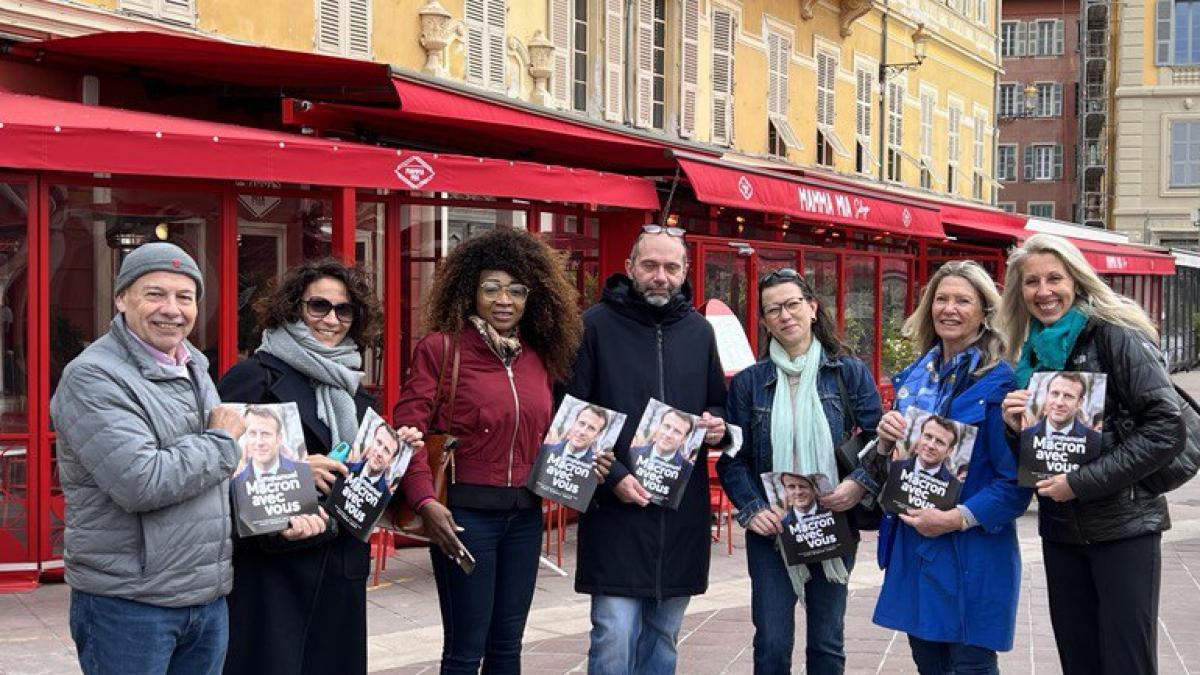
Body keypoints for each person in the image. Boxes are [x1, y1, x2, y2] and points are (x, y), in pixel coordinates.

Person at [392, 228, 587, 674]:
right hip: (465, 518)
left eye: (517, 291)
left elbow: (550, 432)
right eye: (492, 288)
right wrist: (424, 502)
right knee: (465, 650)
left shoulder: (540, 356)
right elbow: (408, 430)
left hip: (524, 516)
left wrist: (582, 460)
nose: (505, 300)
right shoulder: (442, 349)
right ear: (470, 291)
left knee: (508, 647)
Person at [218, 258, 426, 675]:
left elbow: (363, 489)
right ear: (294, 308)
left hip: (339, 566)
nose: (332, 319)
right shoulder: (252, 377)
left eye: (343, 310)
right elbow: (219, 475)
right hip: (273, 574)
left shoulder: (354, 391)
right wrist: (296, 470)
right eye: (319, 307)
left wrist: (393, 451)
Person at [50, 243, 247, 675]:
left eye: (185, 297)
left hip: (206, 598)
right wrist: (222, 441)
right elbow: (142, 481)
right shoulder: (93, 376)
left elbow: (219, 471)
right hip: (129, 603)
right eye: (155, 294)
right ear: (122, 299)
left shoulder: (194, 363)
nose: (172, 310)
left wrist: (295, 478)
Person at [999, 234, 1184, 674]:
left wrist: (1079, 483)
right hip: (1062, 531)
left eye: (1054, 279)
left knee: (1126, 664)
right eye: (1031, 282)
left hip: (1124, 527)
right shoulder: (1031, 354)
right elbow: (1039, 453)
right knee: (1079, 662)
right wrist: (1014, 428)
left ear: (1077, 281)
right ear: (1018, 292)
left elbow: (1166, 426)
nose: (1043, 291)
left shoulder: (1116, 335)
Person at [562, 224, 730, 675]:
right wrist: (614, 477)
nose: (661, 276)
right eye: (651, 265)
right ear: (630, 267)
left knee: (663, 639)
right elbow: (572, 412)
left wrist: (716, 424)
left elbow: (717, 401)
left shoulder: (698, 331)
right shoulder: (594, 325)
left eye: (671, 267)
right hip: (615, 509)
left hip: (679, 515)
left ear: (685, 272)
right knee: (613, 634)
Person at [867, 260, 1030, 675]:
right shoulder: (913, 380)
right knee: (929, 665)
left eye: (963, 300)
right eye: (941, 299)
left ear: (984, 312)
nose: (949, 309)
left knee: (970, 665)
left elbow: (1014, 484)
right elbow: (897, 467)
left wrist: (956, 519)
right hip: (914, 548)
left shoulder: (1001, 385)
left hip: (970, 551)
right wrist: (886, 443)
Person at [717, 268, 882, 675]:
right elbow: (732, 459)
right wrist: (753, 509)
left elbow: (880, 440)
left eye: (792, 304)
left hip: (833, 520)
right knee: (771, 644)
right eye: (773, 309)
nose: (784, 315)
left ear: (812, 308)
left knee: (827, 645)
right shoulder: (749, 384)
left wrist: (856, 485)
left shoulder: (848, 372)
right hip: (773, 529)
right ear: (764, 321)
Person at [1025, 372, 1102, 448]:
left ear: (1080, 403)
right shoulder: (1025, 437)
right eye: (1055, 393)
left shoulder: (1094, 442)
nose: (1059, 403)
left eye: (1068, 396)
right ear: (1047, 396)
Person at [233, 405, 297, 482]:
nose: (259, 442)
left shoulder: (303, 473)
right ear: (246, 437)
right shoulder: (236, 483)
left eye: (265, 434)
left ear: (279, 439)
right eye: (252, 433)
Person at [629, 408, 696, 469]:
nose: (668, 435)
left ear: (684, 439)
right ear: (659, 427)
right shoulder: (631, 453)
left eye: (677, 432)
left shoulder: (687, 470)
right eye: (666, 426)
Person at [542, 404, 610, 464]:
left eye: (591, 428)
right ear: (574, 423)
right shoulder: (544, 451)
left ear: (598, 436)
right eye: (581, 423)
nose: (582, 432)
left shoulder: (595, 468)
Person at [349, 423, 402, 493]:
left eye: (386, 450)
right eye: (378, 443)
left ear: (391, 461)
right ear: (372, 442)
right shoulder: (346, 469)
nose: (379, 453)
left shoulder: (385, 497)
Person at [904, 415, 958, 481]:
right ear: (919, 438)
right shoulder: (895, 469)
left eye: (939, 442)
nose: (931, 446)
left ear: (949, 451)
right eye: (928, 437)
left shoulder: (955, 488)